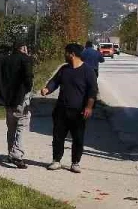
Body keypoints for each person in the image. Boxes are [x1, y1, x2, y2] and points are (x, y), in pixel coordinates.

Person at [40, 42, 98, 173]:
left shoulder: (88, 71)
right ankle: (56, 160)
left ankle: (75, 163)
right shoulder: (64, 69)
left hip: (79, 112)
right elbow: (54, 81)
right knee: (58, 136)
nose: (64, 55)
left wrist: (89, 107)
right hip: (61, 110)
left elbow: (92, 92)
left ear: (72, 54)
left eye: (66, 53)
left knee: (78, 138)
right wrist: (47, 89)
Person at [0, 40, 35, 168]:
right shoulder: (25, 59)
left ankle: (10, 153)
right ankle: (17, 155)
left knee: (11, 127)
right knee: (21, 125)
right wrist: (27, 88)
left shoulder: (3, 60)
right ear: (23, 48)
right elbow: (28, 77)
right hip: (21, 98)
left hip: (7, 99)